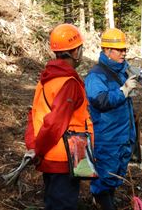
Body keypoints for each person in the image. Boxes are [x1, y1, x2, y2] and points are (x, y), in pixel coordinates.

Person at [24, 23, 93, 210]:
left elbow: (35, 115)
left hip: (54, 155)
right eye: (80, 48)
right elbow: (55, 124)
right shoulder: (68, 83)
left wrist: (33, 147)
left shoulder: (46, 79)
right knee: (62, 204)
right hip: (65, 158)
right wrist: (37, 150)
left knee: (53, 202)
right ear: (75, 52)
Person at [85, 28, 137, 210]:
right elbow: (100, 100)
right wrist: (123, 91)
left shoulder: (121, 71)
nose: (124, 53)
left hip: (123, 137)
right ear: (107, 50)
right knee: (103, 180)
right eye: (119, 50)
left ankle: (106, 201)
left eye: (125, 50)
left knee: (115, 177)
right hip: (107, 139)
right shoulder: (96, 75)